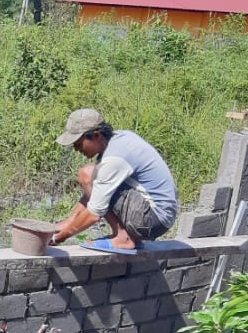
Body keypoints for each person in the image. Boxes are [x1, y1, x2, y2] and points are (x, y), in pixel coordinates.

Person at [48, 108, 178, 254]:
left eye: (78, 144)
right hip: (159, 216)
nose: (77, 149)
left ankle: (123, 238)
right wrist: (67, 223)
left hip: (153, 219)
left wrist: (59, 237)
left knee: (88, 173)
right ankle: (127, 236)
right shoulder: (122, 138)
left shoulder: (114, 159)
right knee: (93, 175)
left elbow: (94, 213)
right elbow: (95, 191)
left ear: (96, 135)